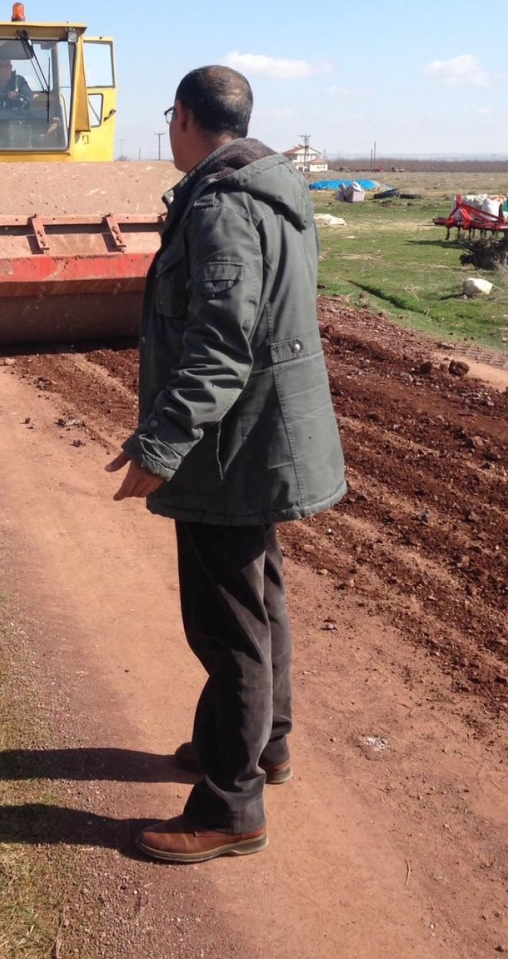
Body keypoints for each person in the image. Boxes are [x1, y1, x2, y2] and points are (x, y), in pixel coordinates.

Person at [106, 66, 346, 864]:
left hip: (231, 450)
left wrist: (160, 442)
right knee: (260, 596)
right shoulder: (272, 186)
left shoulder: (221, 208)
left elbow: (220, 345)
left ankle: (229, 803)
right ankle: (263, 744)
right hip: (262, 438)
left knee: (227, 626)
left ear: (182, 117)